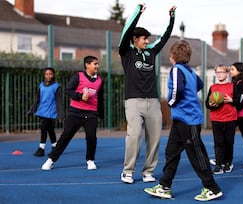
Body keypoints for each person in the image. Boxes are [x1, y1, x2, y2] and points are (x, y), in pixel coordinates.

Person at [144, 40, 222, 201]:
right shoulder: (191, 72)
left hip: (189, 120)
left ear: (172, 56)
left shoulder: (176, 69)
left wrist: (172, 103)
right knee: (171, 152)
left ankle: (212, 188)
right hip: (181, 119)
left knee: (196, 154)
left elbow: (177, 90)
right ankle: (165, 186)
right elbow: (199, 85)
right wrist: (189, 96)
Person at [118, 3, 176, 184]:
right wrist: (138, 12)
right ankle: (128, 171)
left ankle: (148, 171)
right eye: (144, 39)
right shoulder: (126, 52)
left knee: (155, 138)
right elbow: (126, 31)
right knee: (134, 135)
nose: (147, 41)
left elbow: (165, 37)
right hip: (134, 101)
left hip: (153, 101)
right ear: (135, 39)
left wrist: (172, 17)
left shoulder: (151, 52)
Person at [41, 55, 104, 170]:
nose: (97, 66)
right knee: (66, 136)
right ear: (87, 65)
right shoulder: (78, 76)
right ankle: (51, 160)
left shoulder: (100, 80)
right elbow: (68, 90)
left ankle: (90, 160)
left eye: (97, 64)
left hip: (91, 113)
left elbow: (100, 97)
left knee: (91, 137)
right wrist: (80, 96)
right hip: (76, 112)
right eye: (95, 64)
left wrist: (101, 113)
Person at [206, 64, 239, 174]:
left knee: (229, 142)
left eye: (222, 72)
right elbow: (207, 103)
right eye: (218, 72)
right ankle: (219, 164)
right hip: (216, 119)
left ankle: (228, 163)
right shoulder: (213, 87)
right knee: (218, 142)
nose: (220, 74)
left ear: (227, 74)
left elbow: (239, 101)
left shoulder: (232, 86)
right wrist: (211, 104)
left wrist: (232, 100)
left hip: (230, 119)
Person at [27, 67, 64, 157]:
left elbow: (59, 101)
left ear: (53, 75)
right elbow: (37, 99)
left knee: (44, 127)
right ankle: (55, 146)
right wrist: (31, 110)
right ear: (44, 75)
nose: (48, 76)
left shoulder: (57, 87)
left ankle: (41, 149)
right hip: (42, 110)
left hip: (50, 111)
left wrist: (60, 115)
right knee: (50, 129)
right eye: (46, 74)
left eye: (50, 74)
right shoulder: (41, 85)